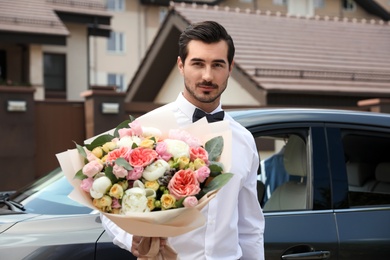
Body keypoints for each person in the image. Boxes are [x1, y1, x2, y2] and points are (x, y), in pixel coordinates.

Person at [101, 20, 265, 260]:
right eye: (197, 64)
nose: (207, 76)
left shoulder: (244, 139)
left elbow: (250, 226)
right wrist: (131, 238)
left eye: (217, 65)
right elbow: (108, 207)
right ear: (181, 65)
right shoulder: (145, 130)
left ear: (230, 68)